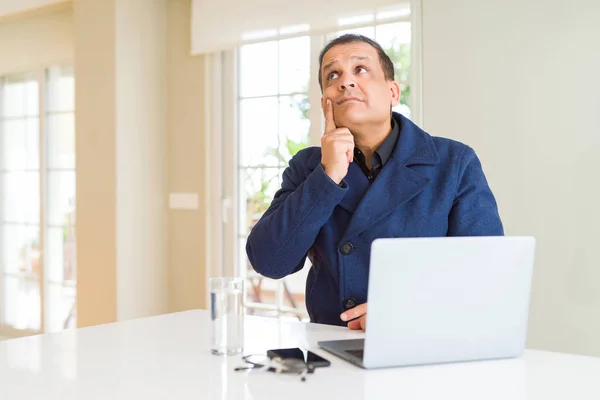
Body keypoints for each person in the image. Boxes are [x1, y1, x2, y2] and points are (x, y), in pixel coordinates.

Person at [246, 34, 503, 331]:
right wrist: (326, 177)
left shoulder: (454, 161)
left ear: (393, 92)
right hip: (332, 346)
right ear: (325, 102)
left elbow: (486, 272)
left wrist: (405, 311)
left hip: (424, 340)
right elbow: (269, 261)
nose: (345, 81)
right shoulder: (308, 167)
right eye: (333, 74)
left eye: (361, 70)